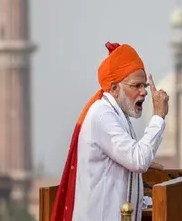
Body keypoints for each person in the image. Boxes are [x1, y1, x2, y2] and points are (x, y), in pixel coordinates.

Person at [51, 42, 169, 221]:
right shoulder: (102, 114)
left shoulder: (118, 114)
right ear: (114, 89)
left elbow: (131, 162)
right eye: (136, 86)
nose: (143, 92)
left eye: (143, 86)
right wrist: (159, 116)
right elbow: (138, 161)